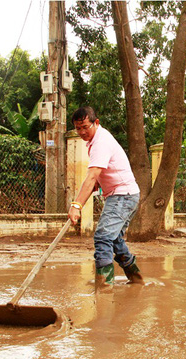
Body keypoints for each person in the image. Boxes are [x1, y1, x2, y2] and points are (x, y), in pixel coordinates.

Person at [68, 106, 144, 287]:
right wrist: (96, 185)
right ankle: (137, 279)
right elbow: (98, 177)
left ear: (96, 122)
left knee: (102, 237)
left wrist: (76, 205)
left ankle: (103, 288)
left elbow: (93, 175)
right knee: (114, 239)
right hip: (126, 194)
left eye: (85, 127)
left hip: (123, 195)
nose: (82, 132)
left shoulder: (100, 142)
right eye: (78, 128)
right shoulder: (96, 140)